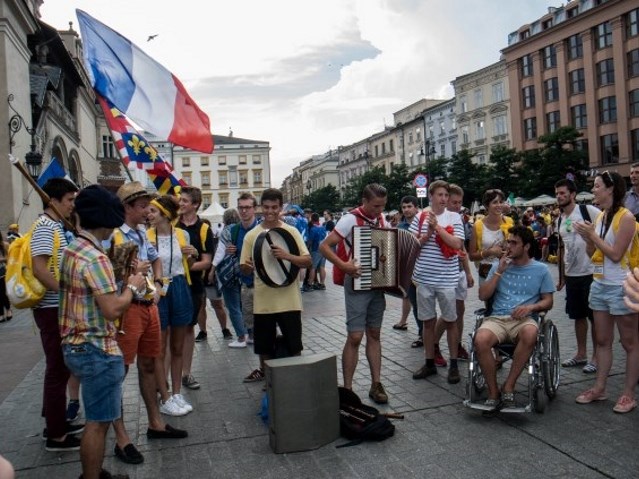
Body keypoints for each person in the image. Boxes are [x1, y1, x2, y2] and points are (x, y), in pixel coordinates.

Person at [59, 185, 146, 479]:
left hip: (75, 345)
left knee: (98, 418)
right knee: (98, 422)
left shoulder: (73, 248)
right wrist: (133, 284)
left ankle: (93, 472)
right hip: (96, 347)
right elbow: (112, 309)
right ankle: (91, 476)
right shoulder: (96, 258)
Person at [111, 181, 187, 465]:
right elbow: (106, 274)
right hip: (125, 308)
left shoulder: (143, 233)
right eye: (142, 206)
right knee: (119, 371)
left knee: (148, 363)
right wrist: (129, 274)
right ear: (127, 207)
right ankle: (121, 438)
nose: (147, 211)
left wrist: (156, 283)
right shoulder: (113, 235)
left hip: (147, 306)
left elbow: (155, 261)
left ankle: (155, 423)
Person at [574, 171, 639, 414]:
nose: (594, 190)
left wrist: (592, 236)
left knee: (630, 342)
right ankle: (600, 387)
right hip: (600, 284)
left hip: (623, 285)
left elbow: (615, 254)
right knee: (602, 341)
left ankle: (628, 394)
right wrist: (589, 239)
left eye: (597, 186)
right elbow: (596, 255)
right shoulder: (600, 217)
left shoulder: (627, 218)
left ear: (610, 188)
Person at [319, 183, 390, 404]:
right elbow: (324, 246)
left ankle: (376, 383)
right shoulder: (350, 219)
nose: (380, 211)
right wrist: (344, 266)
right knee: (355, 336)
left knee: (375, 334)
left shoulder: (381, 219)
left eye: (382, 206)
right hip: (357, 281)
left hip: (377, 283)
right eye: (376, 206)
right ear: (365, 201)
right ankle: (348, 389)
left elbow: (386, 247)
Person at [474, 226, 555, 410]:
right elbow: (483, 295)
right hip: (498, 318)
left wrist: (531, 307)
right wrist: (499, 271)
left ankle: (509, 385)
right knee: (480, 339)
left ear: (526, 247)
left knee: (530, 333)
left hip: (524, 319)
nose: (508, 246)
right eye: (508, 242)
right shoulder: (499, 266)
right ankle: (493, 392)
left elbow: (548, 301)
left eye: (513, 242)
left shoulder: (541, 269)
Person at [30, 177, 83, 452]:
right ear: (54, 200)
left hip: (58, 307)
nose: (73, 206)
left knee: (61, 368)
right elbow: (40, 268)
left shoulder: (57, 226)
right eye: (70, 200)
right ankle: (56, 435)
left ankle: (56, 421)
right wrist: (67, 293)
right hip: (52, 307)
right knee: (56, 369)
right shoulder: (44, 227)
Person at [239, 189, 311, 380]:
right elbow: (243, 268)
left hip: (289, 299)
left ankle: (297, 379)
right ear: (261, 207)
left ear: (280, 208)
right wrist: (247, 267)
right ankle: (269, 383)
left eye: (274, 208)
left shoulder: (291, 231)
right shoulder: (251, 235)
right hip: (264, 300)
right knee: (264, 347)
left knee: (294, 344)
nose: (270, 211)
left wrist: (286, 256)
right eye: (266, 207)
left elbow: (307, 260)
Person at [410, 180, 465, 385]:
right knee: (428, 322)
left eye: (445, 196)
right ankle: (430, 362)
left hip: (447, 280)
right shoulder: (419, 216)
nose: (443, 199)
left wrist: (438, 229)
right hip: (424, 278)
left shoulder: (454, 217)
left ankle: (452, 364)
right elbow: (413, 245)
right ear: (431, 196)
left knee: (450, 321)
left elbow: (457, 244)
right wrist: (428, 234)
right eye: (440, 195)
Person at [146, 195, 194, 416]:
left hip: (180, 286)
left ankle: (176, 393)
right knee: (160, 345)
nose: (149, 214)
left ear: (165, 214)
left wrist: (192, 254)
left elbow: (188, 264)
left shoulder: (182, 234)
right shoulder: (147, 237)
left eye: (153, 211)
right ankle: (163, 393)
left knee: (178, 345)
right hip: (159, 289)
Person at [554, 179, 600, 373]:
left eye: (563, 193)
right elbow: (562, 248)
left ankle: (597, 357)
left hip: (591, 272)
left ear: (572, 194)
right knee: (578, 316)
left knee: (594, 317)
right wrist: (562, 276)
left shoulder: (588, 211)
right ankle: (581, 353)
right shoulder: (558, 219)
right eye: (557, 193)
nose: (559, 196)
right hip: (572, 274)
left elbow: (605, 234)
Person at [177, 186, 214, 391]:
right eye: (180, 200)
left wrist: (187, 266)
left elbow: (206, 262)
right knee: (171, 331)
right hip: (173, 284)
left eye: (184, 201)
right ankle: (167, 376)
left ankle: (186, 373)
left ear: (195, 205)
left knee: (189, 328)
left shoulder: (203, 229)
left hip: (193, 286)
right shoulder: (171, 224)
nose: (180, 203)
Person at [432, 184, 474, 364]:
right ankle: (433, 344)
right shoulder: (438, 219)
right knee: (450, 312)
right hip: (443, 273)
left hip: (457, 270)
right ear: (445, 200)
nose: (458, 206)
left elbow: (462, 248)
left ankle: (456, 344)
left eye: (460, 202)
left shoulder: (458, 219)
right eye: (454, 202)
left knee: (459, 310)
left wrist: (468, 272)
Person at [197, 218, 231, 342]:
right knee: (201, 306)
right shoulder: (195, 241)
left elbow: (219, 258)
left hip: (212, 278)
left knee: (217, 304)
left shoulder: (215, 242)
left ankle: (224, 328)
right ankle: (203, 331)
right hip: (199, 278)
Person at [393, 196, 420, 339]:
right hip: (408, 269)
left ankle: (423, 333)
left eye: (409, 206)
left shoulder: (423, 224)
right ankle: (420, 333)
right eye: (404, 207)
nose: (406, 210)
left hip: (422, 269)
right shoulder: (400, 227)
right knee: (409, 297)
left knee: (421, 302)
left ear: (416, 207)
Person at [307, 212, 327, 290]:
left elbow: (310, 241)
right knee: (322, 267)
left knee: (313, 267)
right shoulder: (323, 227)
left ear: (312, 219)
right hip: (324, 250)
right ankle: (322, 284)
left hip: (315, 250)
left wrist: (307, 248)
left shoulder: (313, 229)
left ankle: (309, 284)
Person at [0, 231, 12, 323]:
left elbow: (10, 258)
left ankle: (8, 310)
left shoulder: (4, 245)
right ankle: (1, 314)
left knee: (2, 293)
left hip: (2, 272)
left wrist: (2, 259)